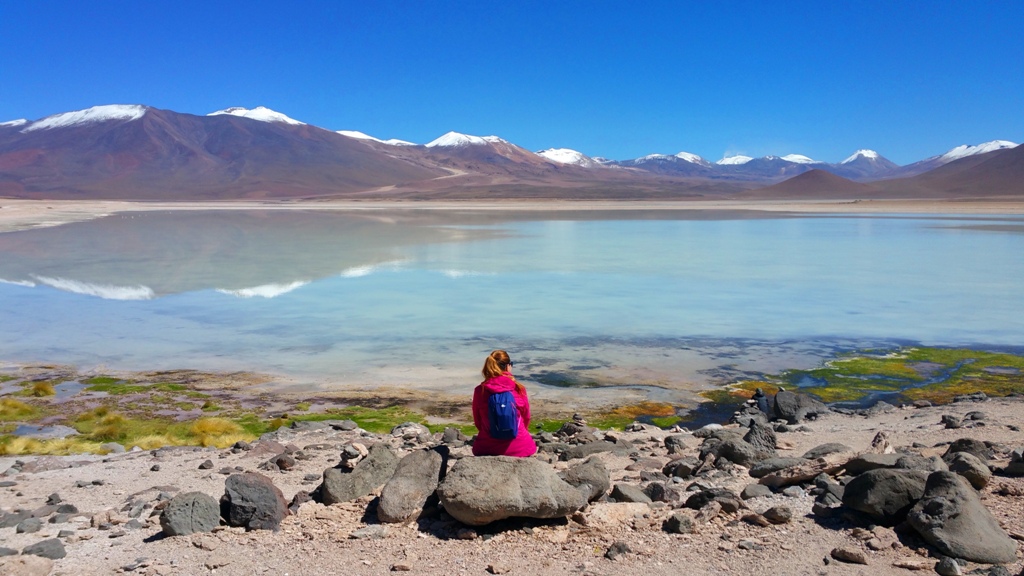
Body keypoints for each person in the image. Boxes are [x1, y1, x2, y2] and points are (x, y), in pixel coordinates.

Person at [471, 350, 537, 457]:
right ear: (508, 367)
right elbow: (526, 418)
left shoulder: (480, 391)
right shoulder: (519, 389)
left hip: (486, 447)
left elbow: (478, 421)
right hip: (520, 448)